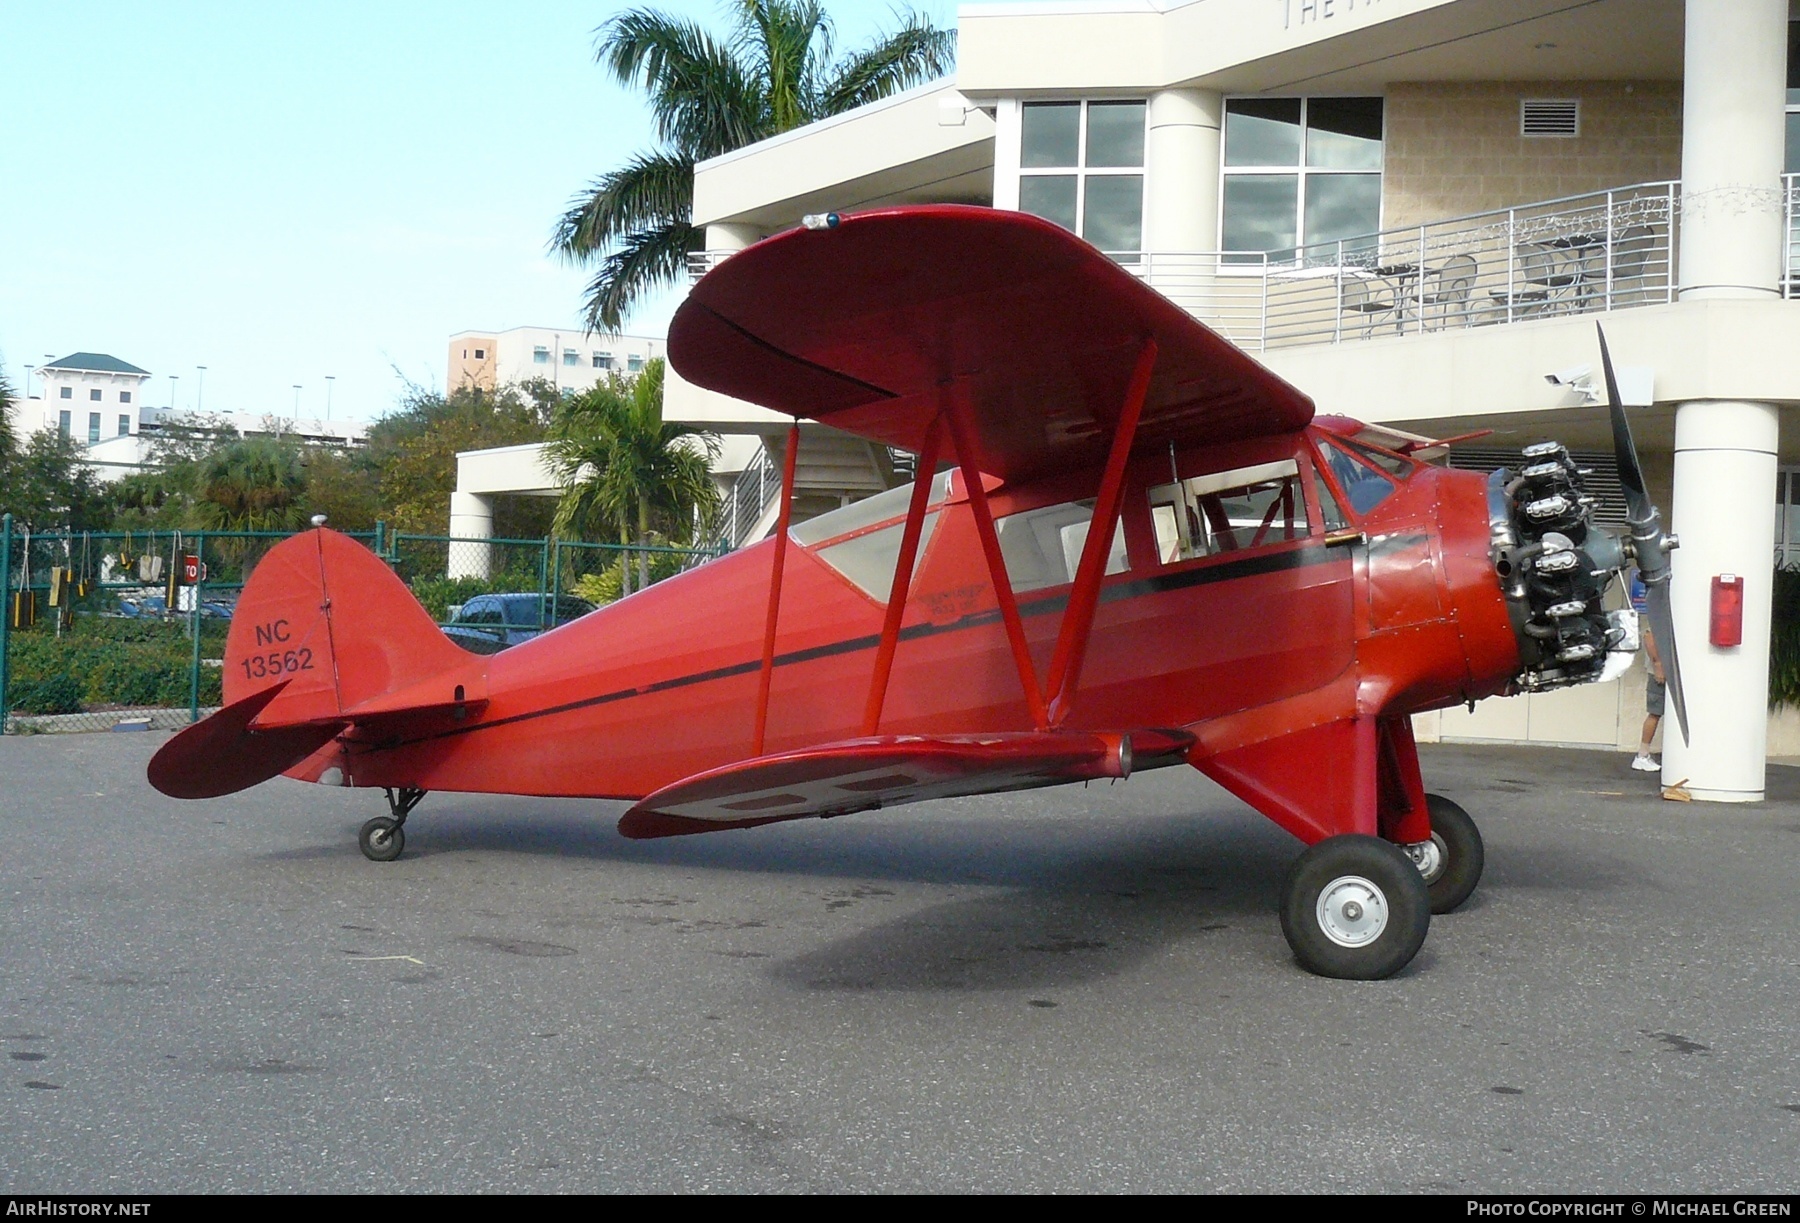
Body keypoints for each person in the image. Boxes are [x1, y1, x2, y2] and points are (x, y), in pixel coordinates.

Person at [1630, 575, 1663, 772]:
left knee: (1659, 713)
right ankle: (1642, 755)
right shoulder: (1659, 611)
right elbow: (1649, 636)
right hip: (1659, 674)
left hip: (1667, 673)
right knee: (1655, 713)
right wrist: (1658, 666)